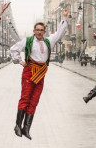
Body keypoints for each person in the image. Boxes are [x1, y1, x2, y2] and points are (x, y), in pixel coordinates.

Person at [10, 8, 68, 140]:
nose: (40, 32)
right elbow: (14, 49)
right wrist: (19, 61)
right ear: (34, 31)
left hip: (41, 72)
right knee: (25, 98)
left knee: (34, 100)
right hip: (29, 71)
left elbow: (60, 33)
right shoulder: (28, 41)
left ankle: (26, 128)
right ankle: (18, 125)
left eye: (42, 30)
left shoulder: (48, 41)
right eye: (38, 30)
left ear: (44, 32)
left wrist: (64, 18)